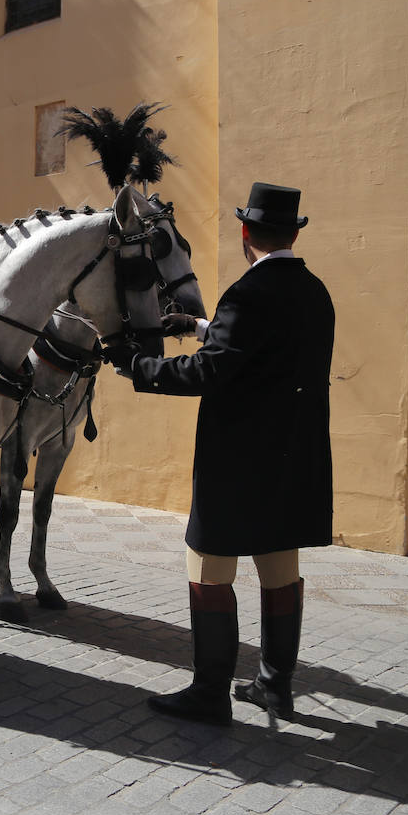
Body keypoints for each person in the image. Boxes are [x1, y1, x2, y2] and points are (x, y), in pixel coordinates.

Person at [104, 182, 334, 726]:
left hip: (238, 461)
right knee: (280, 568)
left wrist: (136, 366)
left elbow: (211, 371)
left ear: (245, 233)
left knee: (208, 569)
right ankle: (276, 687)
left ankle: (210, 693)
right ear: (291, 232)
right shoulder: (315, 291)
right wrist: (204, 327)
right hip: (292, 455)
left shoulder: (246, 294)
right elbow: (266, 349)